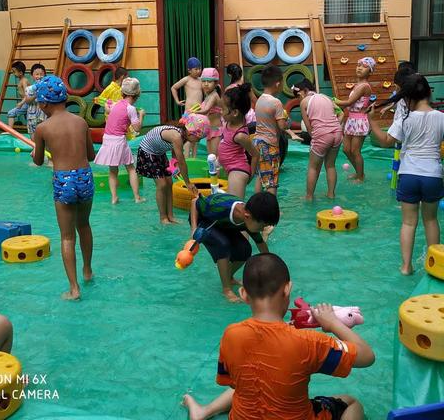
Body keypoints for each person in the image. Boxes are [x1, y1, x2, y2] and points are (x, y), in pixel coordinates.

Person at [183, 253, 375, 419]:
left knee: (247, 381)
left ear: (243, 294)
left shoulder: (230, 334)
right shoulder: (309, 342)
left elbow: (233, 382)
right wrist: (333, 323)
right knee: (351, 403)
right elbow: (367, 356)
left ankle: (204, 411)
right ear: (287, 288)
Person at [369, 74, 444, 275]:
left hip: (409, 175)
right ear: (429, 93)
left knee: (408, 222)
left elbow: (386, 141)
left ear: (408, 99)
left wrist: (372, 122)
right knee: (431, 220)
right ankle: (434, 265)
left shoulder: (405, 119)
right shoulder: (442, 117)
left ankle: (405, 267)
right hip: (433, 175)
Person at [32, 75, 95, 300]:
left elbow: (39, 161)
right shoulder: (81, 122)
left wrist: (35, 152)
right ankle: (87, 271)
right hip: (85, 176)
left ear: (45, 103)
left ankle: (74, 288)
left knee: (67, 237)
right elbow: (91, 155)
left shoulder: (43, 128)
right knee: (84, 225)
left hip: (63, 179)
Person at [189, 192, 280, 303]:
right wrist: (193, 229)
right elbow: (195, 202)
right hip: (204, 222)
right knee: (223, 245)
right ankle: (226, 289)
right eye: (263, 226)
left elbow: (260, 244)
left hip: (223, 225)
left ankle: (229, 278)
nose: (262, 230)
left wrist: (271, 270)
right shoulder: (220, 207)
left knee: (245, 250)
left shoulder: (251, 216)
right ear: (247, 217)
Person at [136, 113, 209, 224]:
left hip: (159, 152)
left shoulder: (183, 136)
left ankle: (171, 216)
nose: (198, 141)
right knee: (162, 185)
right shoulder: (176, 136)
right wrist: (188, 183)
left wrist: (175, 166)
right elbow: (182, 161)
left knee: (169, 183)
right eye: (199, 138)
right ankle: (163, 218)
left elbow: (176, 155)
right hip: (147, 151)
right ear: (191, 132)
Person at [94, 77, 146, 204]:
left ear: (122, 93)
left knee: (113, 171)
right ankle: (137, 197)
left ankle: (114, 198)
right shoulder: (131, 109)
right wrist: (141, 115)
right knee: (131, 168)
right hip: (119, 140)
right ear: (137, 94)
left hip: (107, 139)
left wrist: (107, 104)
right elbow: (137, 128)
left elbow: (108, 109)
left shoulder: (116, 104)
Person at [253, 65, 301, 196]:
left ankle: (257, 205)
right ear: (278, 84)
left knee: (260, 175)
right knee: (272, 181)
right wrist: (287, 122)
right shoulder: (276, 103)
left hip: (257, 143)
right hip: (269, 145)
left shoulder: (259, 100)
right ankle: (271, 208)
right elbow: (281, 126)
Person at [295, 79, 343, 200]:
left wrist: (315, 138)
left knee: (313, 167)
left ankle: (309, 196)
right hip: (337, 133)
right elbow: (341, 113)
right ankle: (331, 194)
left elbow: (308, 127)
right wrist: (333, 126)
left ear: (303, 92)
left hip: (322, 134)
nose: (299, 99)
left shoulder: (304, 102)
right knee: (330, 165)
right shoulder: (326, 97)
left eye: (298, 96)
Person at [335, 58, 375, 183]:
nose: (359, 68)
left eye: (363, 66)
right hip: (351, 119)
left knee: (355, 151)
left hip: (360, 121)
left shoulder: (364, 86)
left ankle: (360, 176)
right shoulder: (358, 85)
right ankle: (359, 172)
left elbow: (349, 102)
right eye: (358, 65)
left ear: (370, 71)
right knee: (346, 149)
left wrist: (332, 101)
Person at [218, 84, 259, 198]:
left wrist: (251, 174)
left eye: (223, 109)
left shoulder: (240, 135)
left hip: (238, 171)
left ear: (235, 112)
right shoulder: (228, 123)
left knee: (235, 207)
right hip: (228, 168)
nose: (221, 112)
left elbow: (255, 154)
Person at [171, 57, 203, 158]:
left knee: (197, 136)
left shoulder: (202, 81)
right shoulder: (186, 79)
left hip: (199, 113)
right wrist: (177, 101)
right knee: (189, 136)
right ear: (189, 70)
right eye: (196, 69)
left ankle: (194, 157)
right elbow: (174, 88)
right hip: (189, 113)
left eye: (199, 68)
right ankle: (187, 158)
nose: (198, 71)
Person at [197, 68, 223, 157]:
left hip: (216, 130)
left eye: (209, 81)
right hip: (210, 130)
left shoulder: (214, 95)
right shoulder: (207, 95)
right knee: (210, 157)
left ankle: (219, 171)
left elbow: (206, 110)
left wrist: (193, 113)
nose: (206, 84)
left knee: (215, 158)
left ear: (215, 83)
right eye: (204, 81)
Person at [25, 63, 47, 140]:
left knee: (45, 134)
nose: (39, 76)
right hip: (32, 116)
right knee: (33, 136)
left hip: (44, 115)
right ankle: (34, 149)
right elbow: (27, 101)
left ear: (45, 75)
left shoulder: (48, 87)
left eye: (41, 74)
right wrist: (36, 94)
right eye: (36, 74)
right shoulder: (29, 88)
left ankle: (44, 150)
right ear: (32, 76)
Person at [7, 61, 30, 128]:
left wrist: (21, 103)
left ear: (20, 73)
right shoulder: (21, 80)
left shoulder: (24, 81)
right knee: (28, 118)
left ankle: (10, 130)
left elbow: (28, 94)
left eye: (14, 72)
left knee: (11, 113)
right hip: (26, 102)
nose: (13, 73)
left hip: (27, 102)